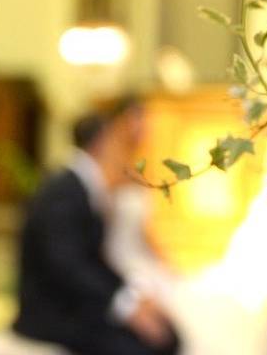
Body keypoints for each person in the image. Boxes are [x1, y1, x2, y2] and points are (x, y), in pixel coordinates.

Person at [13, 96, 180, 355]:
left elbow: (95, 260)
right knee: (145, 346)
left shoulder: (79, 186)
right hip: (55, 312)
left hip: (79, 303)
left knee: (168, 335)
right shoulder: (63, 192)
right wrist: (126, 306)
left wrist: (132, 297)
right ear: (102, 142)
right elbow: (67, 266)